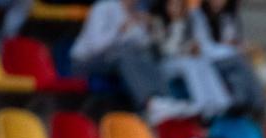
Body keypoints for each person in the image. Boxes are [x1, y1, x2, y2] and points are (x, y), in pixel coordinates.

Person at [71, 0, 199, 125]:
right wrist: (119, 30)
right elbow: (95, 46)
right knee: (124, 53)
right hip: (84, 61)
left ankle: (164, 100)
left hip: (117, 61)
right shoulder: (104, 7)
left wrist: (150, 28)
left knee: (145, 54)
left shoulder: (138, 12)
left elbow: (141, 45)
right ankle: (150, 104)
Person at [153, 0, 234, 120]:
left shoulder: (187, 21)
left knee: (202, 62)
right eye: (172, 5)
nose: (175, 9)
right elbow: (165, 50)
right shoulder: (158, 22)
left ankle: (220, 101)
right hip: (163, 64)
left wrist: (191, 48)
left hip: (181, 60)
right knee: (188, 64)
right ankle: (201, 103)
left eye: (178, 6)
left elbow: (188, 44)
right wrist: (177, 25)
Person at [194, 0, 266, 115]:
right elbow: (205, 47)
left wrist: (239, 47)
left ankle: (244, 101)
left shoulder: (228, 16)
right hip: (207, 60)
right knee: (240, 63)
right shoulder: (198, 16)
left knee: (238, 69)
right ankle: (257, 101)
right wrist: (233, 49)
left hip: (226, 58)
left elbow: (232, 40)